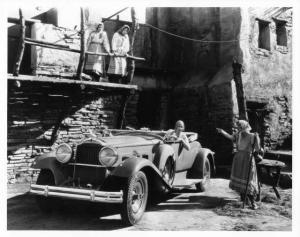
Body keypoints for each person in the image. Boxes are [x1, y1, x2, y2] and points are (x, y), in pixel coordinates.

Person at [216, 120, 260, 210]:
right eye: (238, 127)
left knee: (248, 179)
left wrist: (257, 139)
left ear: (244, 127)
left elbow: (257, 148)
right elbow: (230, 137)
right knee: (240, 178)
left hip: (247, 159)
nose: (238, 129)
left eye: (240, 127)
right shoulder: (238, 135)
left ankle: (253, 202)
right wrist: (222, 132)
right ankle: (244, 199)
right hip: (238, 159)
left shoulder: (252, 136)